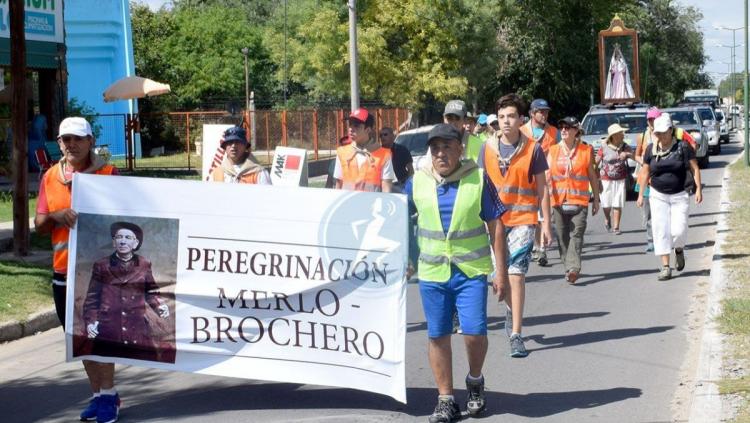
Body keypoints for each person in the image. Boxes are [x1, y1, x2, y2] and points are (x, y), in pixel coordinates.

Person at [405, 123, 508, 422]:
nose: (440, 153)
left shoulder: (478, 179)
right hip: (433, 272)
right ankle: (446, 399)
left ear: (460, 149)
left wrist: (500, 273)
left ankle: (475, 381)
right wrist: (408, 257)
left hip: (470, 271)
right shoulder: (418, 182)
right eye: (435, 148)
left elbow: (496, 227)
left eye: (447, 147)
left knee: (474, 333)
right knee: (437, 335)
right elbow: (394, 215)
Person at [34, 117, 121, 423]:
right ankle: (98, 395)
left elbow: (126, 216)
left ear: (90, 141)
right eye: (65, 139)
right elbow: (39, 225)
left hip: (100, 273)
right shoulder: (50, 177)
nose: (71, 144)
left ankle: (109, 396)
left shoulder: (109, 174)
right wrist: (57, 215)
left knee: (100, 336)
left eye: (77, 139)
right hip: (63, 272)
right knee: (79, 338)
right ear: (58, 143)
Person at [479, 93, 552, 358]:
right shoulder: (486, 148)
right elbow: (478, 184)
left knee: (516, 274)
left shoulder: (533, 148)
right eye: (501, 117)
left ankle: (516, 334)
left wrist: (545, 223)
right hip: (493, 223)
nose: (506, 121)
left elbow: (543, 188)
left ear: (521, 119)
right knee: (500, 278)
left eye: (511, 116)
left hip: (523, 220)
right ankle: (511, 311)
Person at [83, 222, 171, 363]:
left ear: (135, 243)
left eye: (128, 238)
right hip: (109, 329)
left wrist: (159, 305)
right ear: (114, 242)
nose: (123, 241)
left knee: (145, 364)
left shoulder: (144, 264)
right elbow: (92, 300)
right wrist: (91, 322)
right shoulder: (102, 266)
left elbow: (151, 291)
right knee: (105, 364)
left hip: (136, 328)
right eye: (119, 237)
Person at [637, 113, 703, 281]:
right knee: (660, 230)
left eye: (663, 132)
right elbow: (645, 171)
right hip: (657, 194)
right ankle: (665, 267)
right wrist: (640, 194)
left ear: (671, 131)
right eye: (657, 133)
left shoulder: (683, 147)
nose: (660, 136)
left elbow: (694, 168)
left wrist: (698, 190)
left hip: (680, 194)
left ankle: (679, 249)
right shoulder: (651, 149)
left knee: (678, 231)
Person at [547, 117, 600, 283]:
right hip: (558, 201)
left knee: (576, 235)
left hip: (579, 201)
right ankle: (568, 266)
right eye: (561, 127)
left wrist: (596, 199)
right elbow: (548, 176)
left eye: (568, 127)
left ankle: (574, 268)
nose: (563, 130)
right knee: (562, 237)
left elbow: (592, 175)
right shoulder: (553, 150)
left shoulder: (586, 150)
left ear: (576, 131)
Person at [520, 98, 560, 266]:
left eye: (546, 112)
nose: (544, 115)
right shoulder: (521, 131)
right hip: (526, 181)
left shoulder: (553, 132)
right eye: (540, 112)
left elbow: (560, 153)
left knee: (545, 215)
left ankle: (542, 249)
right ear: (532, 114)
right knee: (533, 217)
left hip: (547, 181)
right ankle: (537, 246)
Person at [334, 108, 395, 192]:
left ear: (368, 130)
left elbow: (386, 187)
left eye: (356, 126)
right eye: (350, 124)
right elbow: (338, 185)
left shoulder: (384, 155)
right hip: (348, 204)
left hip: (372, 204)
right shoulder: (342, 152)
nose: (351, 129)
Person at [596, 123, 632, 235]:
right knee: (606, 204)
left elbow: (632, 154)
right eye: (621, 133)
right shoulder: (604, 146)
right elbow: (596, 161)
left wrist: (626, 154)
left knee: (618, 203)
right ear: (614, 135)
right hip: (605, 179)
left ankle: (616, 227)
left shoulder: (625, 146)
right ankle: (607, 218)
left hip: (620, 179)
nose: (623, 134)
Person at [634, 107, 662, 251]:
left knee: (661, 211)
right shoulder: (643, 136)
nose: (652, 122)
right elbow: (636, 155)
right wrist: (644, 162)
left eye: (655, 119)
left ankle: (662, 239)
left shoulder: (665, 135)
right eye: (650, 119)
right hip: (645, 180)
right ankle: (650, 240)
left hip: (661, 178)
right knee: (648, 212)